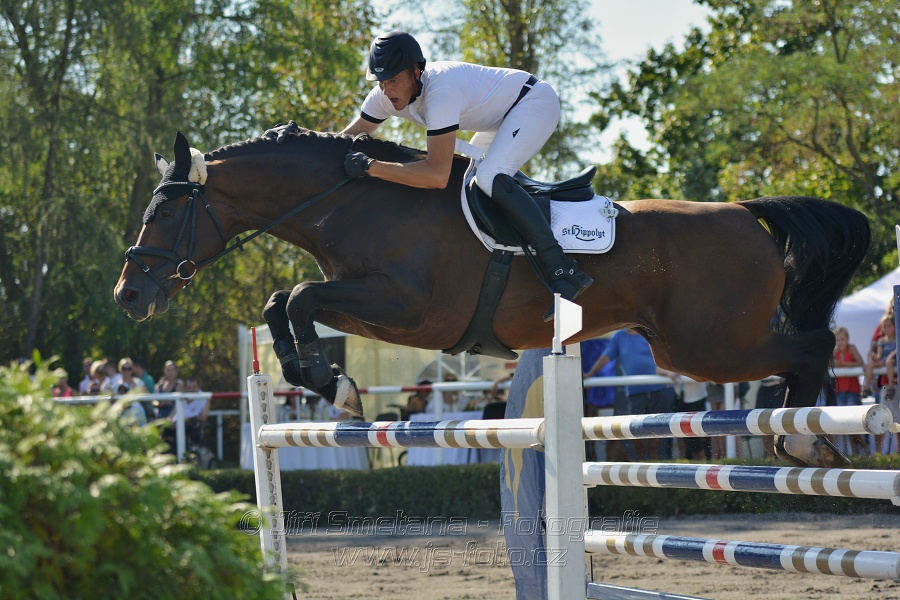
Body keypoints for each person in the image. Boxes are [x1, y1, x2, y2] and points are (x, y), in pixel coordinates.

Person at [338, 30, 592, 321]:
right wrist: (300, 138)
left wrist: (373, 167)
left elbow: (436, 175)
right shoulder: (384, 96)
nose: (386, 90)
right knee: (468, 182)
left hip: (533, 103)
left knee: (488, 178)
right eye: (381, 82)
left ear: (416, 72)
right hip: (500, 117)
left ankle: (561, 268)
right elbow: (342, 140)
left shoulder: (441, 93)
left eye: (393, 81)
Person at [584, 329, 675, 460]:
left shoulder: (648, 333)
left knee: (656, 432)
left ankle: (654, 466)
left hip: (658, 389)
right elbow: (605, 357)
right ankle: (642, 464)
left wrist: (668, 373)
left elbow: (663, 355)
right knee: (638, 430)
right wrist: (590, 374)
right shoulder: (619, 337)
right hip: (636, 392)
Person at [832, 326, 867, 456]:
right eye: (838, 340)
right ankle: (858, 452)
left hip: (852, 391)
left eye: (842, 339)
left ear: (847, 339)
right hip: (839, 391)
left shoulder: (851, 349)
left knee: (853, 423)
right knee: (846, 424)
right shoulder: (834, 352)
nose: (840, 342)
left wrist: (842, 365)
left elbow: (860, 363)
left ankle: (860, 449)